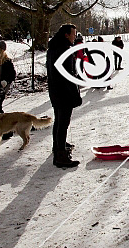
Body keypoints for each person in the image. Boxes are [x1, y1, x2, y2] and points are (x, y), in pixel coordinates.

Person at [46, 24, 82, 168]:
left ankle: (58, 146)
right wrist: (75, 95)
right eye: (73, 34)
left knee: (59, 121)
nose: (75, 36)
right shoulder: (65, 50)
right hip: (64, 92)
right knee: (63, 122)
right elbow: (68, 75)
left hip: (55, 91)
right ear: (66, 35)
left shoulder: (52, 48)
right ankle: (60, 155)